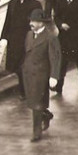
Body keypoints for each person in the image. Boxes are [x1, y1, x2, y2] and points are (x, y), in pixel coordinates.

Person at [1, 0, 44, 104]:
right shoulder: (12, 3)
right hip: (14, 41)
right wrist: (4, 37)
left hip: (28, 40)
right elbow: (7, 21)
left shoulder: (35, 4)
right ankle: (24, 90)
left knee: (27, 66)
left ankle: (26, 91)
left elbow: (39, 23)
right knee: (18, 67)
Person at [21, 8, 61, 142]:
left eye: (35, 21)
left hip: (41, 75)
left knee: (36, 103)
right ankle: (46, 114)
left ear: (42, 23)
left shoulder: (50, 37)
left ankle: (36, 132)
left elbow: (55, 57)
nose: (31, 23)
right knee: (33, 102)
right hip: (28, 73)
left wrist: (54, 76)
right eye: (31, 20)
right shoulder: (28, 35)